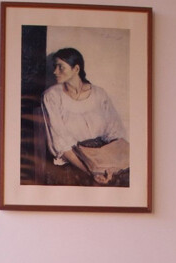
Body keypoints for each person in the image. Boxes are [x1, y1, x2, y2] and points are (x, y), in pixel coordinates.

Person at [41, 48, 129, 185]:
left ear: (76, 69)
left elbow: (115, 133)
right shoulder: (51, 96)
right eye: (54, 67)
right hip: (73, 161)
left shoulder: (99, 94)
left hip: (103, 160)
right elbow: (60, 143)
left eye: (61, 67)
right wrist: (90, 171)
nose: (55, 72)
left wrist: (110, 168)